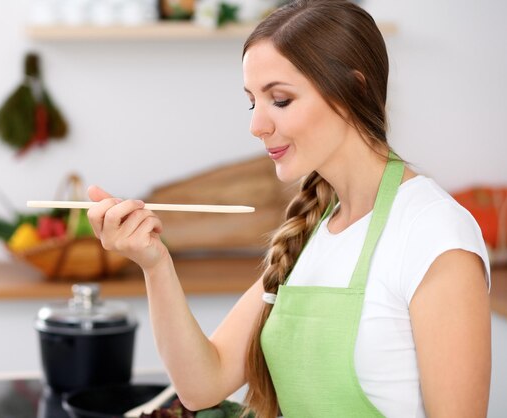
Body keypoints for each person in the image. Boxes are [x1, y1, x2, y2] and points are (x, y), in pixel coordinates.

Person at [86, 0, 492, 416]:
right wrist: (154, 264)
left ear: (353, 90)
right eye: (252, 102)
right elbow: (202, 384)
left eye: (279, 100)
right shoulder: (312, 229)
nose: (256, 125)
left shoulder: (434, 233)